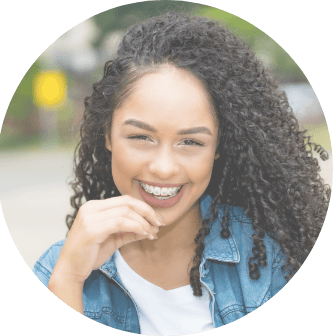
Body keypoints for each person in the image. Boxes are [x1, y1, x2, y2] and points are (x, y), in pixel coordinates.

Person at [32, 12, 330, 335]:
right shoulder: (57, 271)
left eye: (190, 141)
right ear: (107, 134)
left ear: (218, 146)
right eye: (141, 137)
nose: (163, 167)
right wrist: (67, 281)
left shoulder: (272, 259)